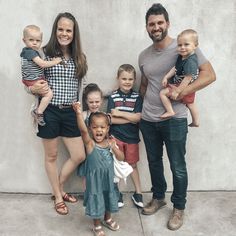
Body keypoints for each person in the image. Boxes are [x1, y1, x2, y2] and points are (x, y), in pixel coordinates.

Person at [139, 3, 216, 231]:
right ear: (147, 27)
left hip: (174, 119)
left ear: (167, 24)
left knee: (177, 166)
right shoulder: (143, 55)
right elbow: (144, 84)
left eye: (160, 22)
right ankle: (159, 197)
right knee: (154, 163)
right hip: (149, 119)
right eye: (152, 24)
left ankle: (179, 207)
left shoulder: (183, 46)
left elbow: (209, 75)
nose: (156, 27)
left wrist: (181, 92)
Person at [27, 12, 88, 215]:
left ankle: (59, 189)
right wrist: (31, 89)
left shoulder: (79, 57)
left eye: (68, 30)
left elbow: (81, 85)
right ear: (55, 30)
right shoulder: (43, 53)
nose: (64, 33)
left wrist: (83, 107)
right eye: (60, 29)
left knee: (79, 155)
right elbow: (29, 78)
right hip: (49, 111)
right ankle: (59, 196)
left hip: (70, 111)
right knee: (51, 156)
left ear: (73, 33)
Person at [73, 102, 124, 236]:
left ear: (107, 128)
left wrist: (114, 147)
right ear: (90, 129)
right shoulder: (90, 145)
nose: (99, 130)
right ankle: (96, 225)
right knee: (97, 200)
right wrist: (78, 113)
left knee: (108, 197)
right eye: (95, 127)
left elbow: (121, 158)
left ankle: (107, 218)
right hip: (95, 182)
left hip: (109, 179)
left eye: (102, 127)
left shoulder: (110, 143)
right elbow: (82, 131)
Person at [107, 64, 143, 208]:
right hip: (116, 136)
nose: (127, 82)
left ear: (134, 80)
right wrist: (130, 117)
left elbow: (138, 118)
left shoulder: (137, 97)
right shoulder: (113, 96)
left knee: (132, 165)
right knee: (116, 166)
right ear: (118, 79)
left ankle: (138, 193)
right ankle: (117, 193)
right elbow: (111, 119)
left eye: (130, 79)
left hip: (132, 138)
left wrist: (120, 113)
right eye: (124, 79)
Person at [21, 25, 62, 126]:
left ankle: (38, 110)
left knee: (45, 92)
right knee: (49, 94)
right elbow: (43, 64)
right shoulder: (30, 52)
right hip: (33, 80)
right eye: (31, 40)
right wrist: (56, 61)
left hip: (31, 79)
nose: (35, 43)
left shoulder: (29, 52)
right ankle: (38, 112)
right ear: (24, 40)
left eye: (38, 40)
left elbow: (40, 65)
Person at [160, 29, 200, 127]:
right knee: (190, 104)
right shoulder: (182, 56)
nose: (182, 47)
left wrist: (177, 91)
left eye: (186, 44)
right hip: (180, 84)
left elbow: (187, 78)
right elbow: (175, 68)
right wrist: (166, 76)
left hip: (185, 86)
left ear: (195, 45)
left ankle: (170, 111)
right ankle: (196, 122)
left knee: (162, 93)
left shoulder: (190, 61)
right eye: (180, 45)